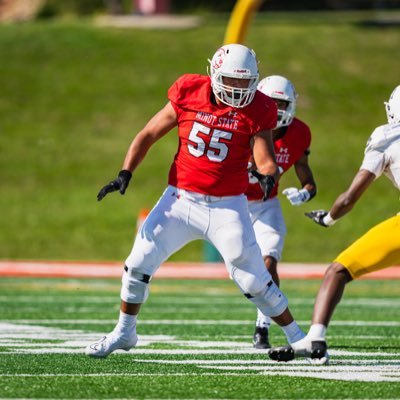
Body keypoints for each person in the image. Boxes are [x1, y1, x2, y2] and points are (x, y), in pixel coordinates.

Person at [85, 43, 306, 358]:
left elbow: (265, 157)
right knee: (137, 263)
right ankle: (124, 332)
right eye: (232, 80)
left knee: (254, 280)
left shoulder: (259, 107)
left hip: (228, 205)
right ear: (214, 74)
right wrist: (125, 172)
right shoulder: (188, 91)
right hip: (180, 200)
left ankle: (299, 339)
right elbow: (149, 133)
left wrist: (268, 174)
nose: (239, 88)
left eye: (245, 82)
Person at [268, 84, 400, 363]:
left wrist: (328, 218)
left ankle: (315, 338)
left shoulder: (386, 137)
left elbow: (350, 197)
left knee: (338, 271)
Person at [247, 75, 317, 349]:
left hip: (266, 205)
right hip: (232, 202)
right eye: (271, 102)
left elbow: (306, 175)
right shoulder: (246, 125)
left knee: (268, 264)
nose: (276, 109)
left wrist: (306, 192)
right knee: (243, 271)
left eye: (281, 103)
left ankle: (262, 326)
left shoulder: (299, 133)